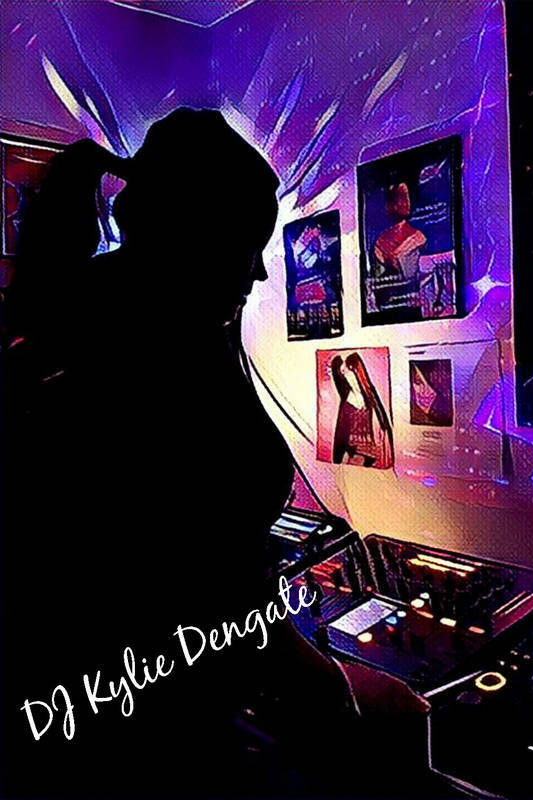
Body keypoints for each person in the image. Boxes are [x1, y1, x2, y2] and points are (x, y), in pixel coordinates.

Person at [0, 109, 358, 798]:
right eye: (249, 245)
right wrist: (321, 684)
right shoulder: (147, 355)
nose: (260, 271)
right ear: (199, 239)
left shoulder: (93, 317)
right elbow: (205, 577)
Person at [331, 352, 393, 469]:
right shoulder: (346, 396)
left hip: (366, 450)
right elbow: (341, 436)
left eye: (350, 371)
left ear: (357, 372)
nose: (347, 377)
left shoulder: (370, 394)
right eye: (343, 373)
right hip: (347, 448)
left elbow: (384, 424)